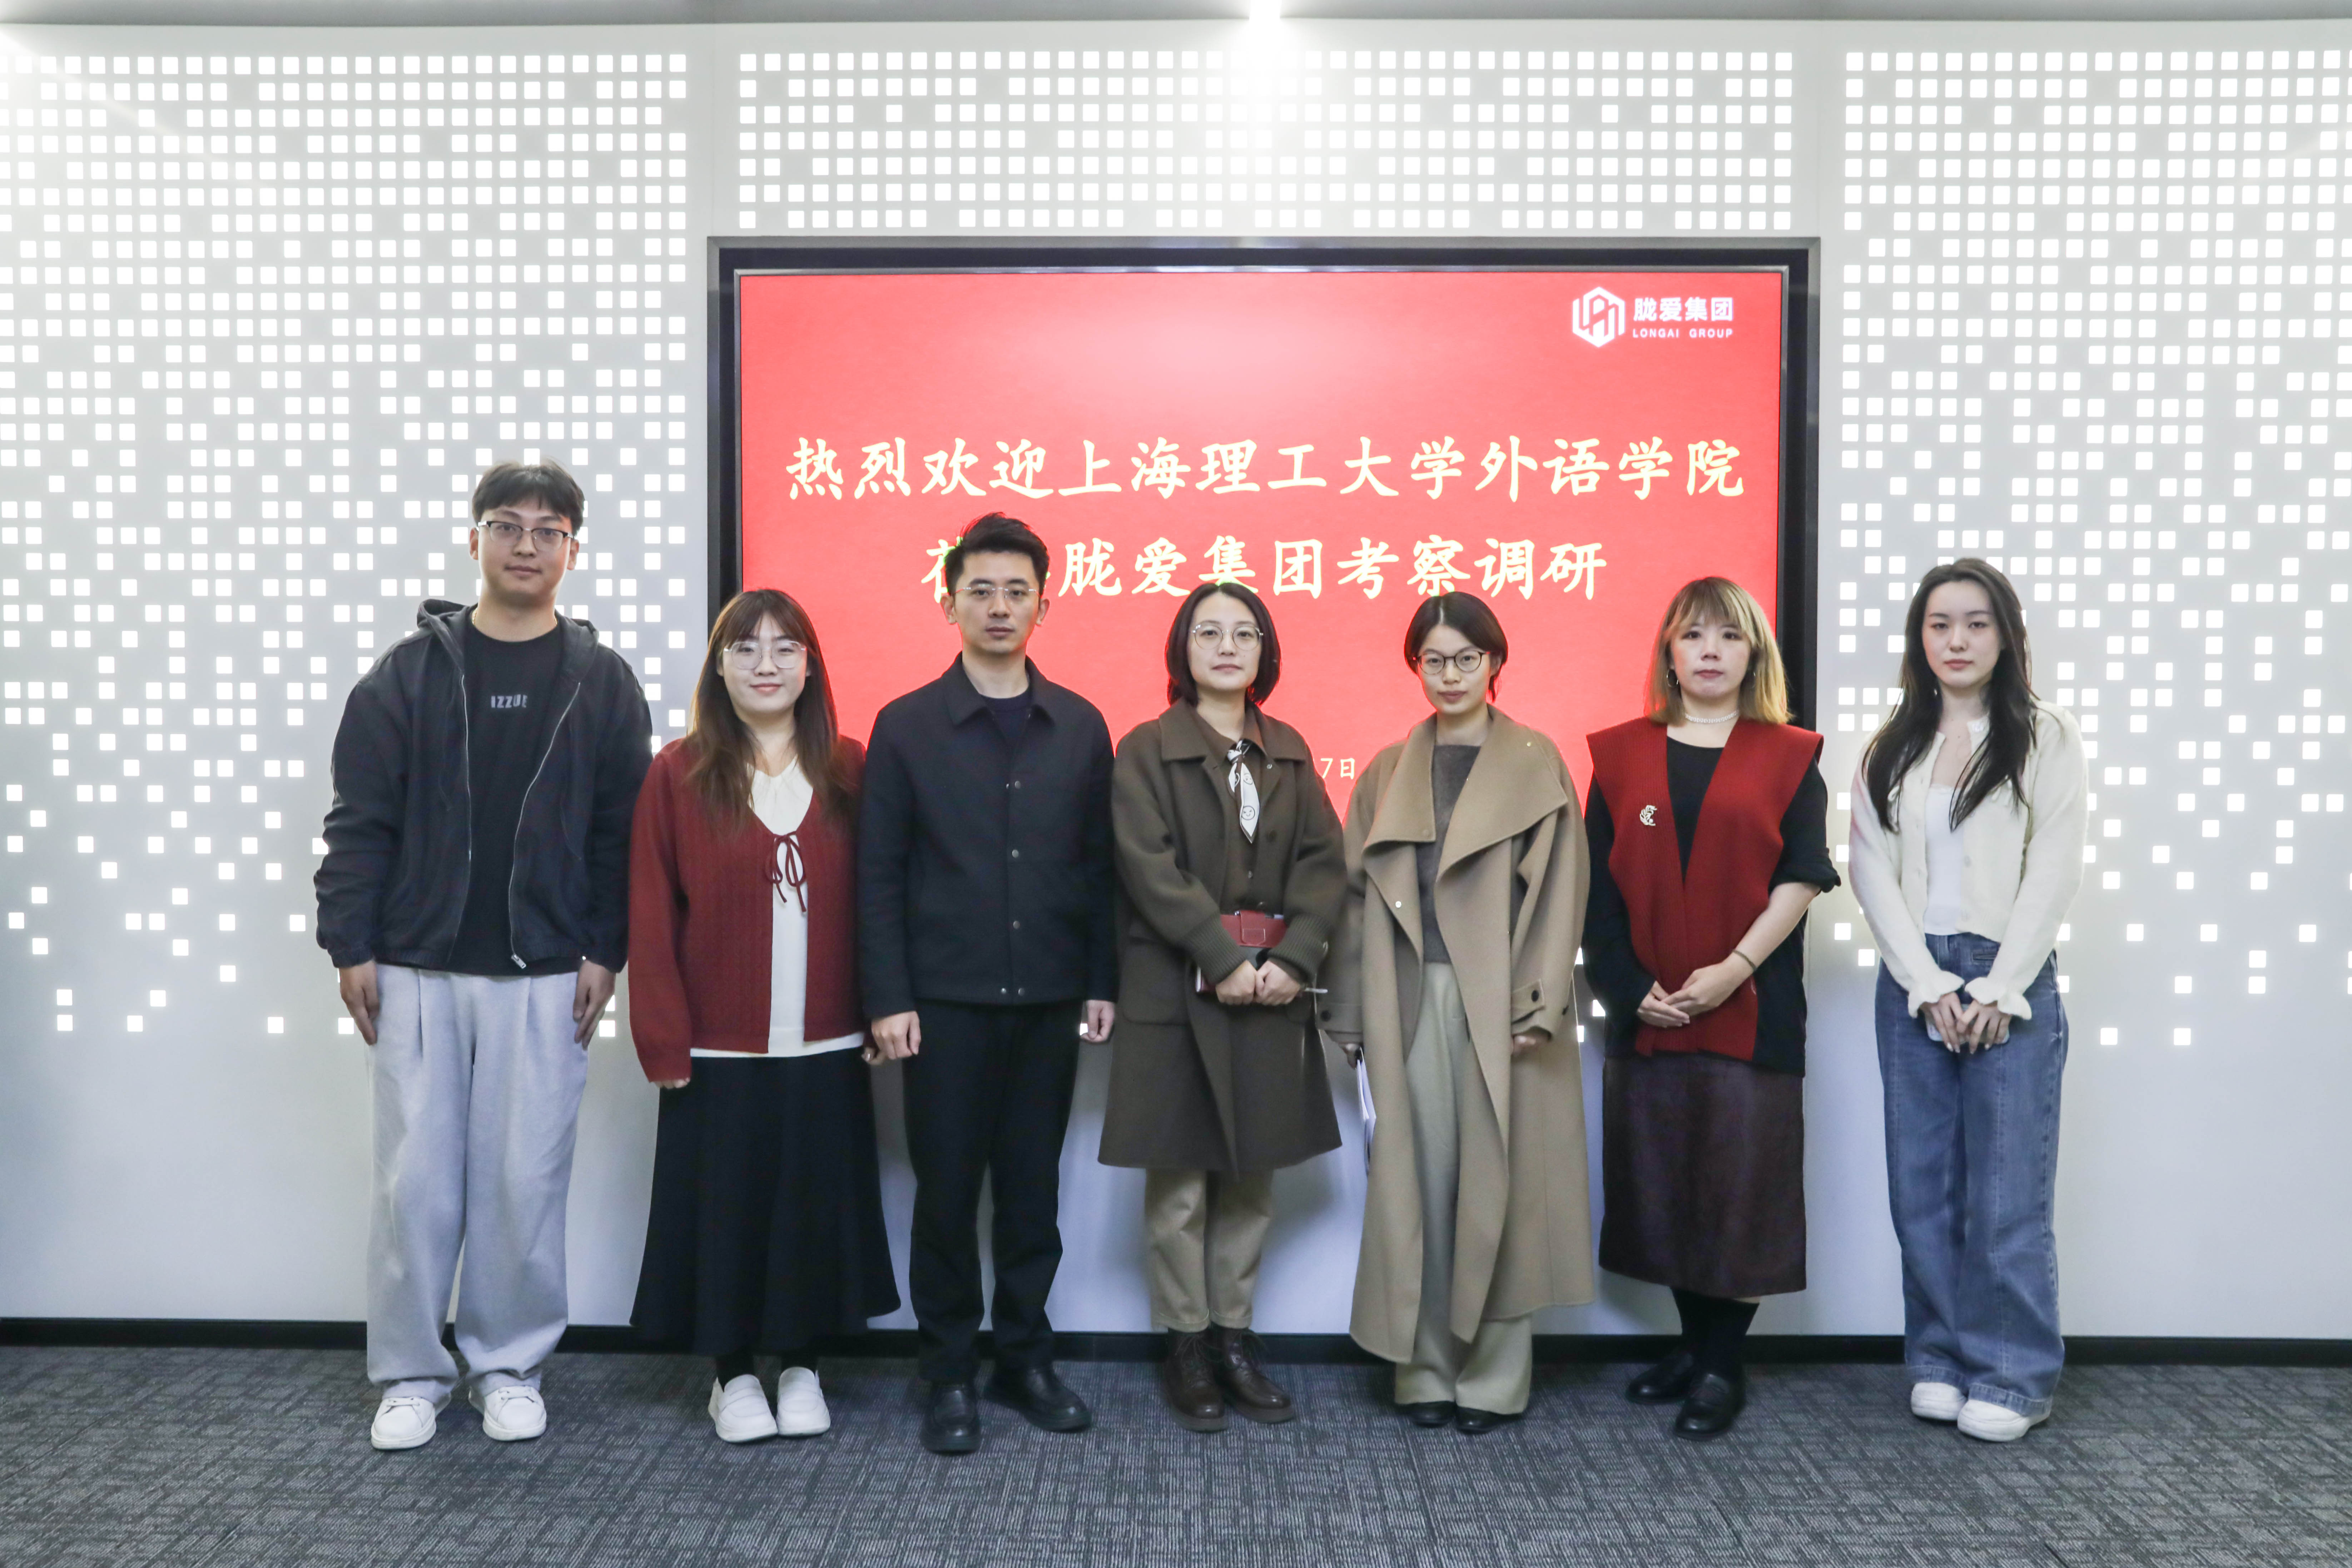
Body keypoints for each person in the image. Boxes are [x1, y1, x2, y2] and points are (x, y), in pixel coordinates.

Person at [315, 461, 651, 1452]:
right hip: (415, 963)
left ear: (572, 551)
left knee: (523, 1182)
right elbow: (360, 820)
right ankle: (412, 1374)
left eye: (549, 530)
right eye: (507, 525)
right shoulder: (408, 673)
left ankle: (508, 1366)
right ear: (474, 540)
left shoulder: (600, 679)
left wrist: (605, 947)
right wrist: (350, 942)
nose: (526, 545)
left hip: (545, 967)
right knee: (413, 1185)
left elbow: (620, 831)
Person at [858, 512, 1117, 1456]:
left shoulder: (1080, 725)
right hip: (941, 1004)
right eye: (981, 590)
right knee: (944, 1194)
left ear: (1044, 604)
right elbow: (878, 873)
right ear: (949, 602)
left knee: (1031, 1193)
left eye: (1017, 591)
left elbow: (1098, 868)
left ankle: (1023, 1357)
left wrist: (1100, 979)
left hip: (1048, 996)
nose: (999, 606)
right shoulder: (905, 726)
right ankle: (948, 1371)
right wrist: (886, 996)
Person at [626, 589, 900, 1444]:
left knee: (813, 1210)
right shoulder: (677, 772)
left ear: (811, 666)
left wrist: (882, 1009)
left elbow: (884, 897)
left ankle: (804, 1364)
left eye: (786, 648)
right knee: (727, 1215)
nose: (767, 664)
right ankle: (733, 1373)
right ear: (720, 667)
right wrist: (664, 1037)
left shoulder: (850, 768)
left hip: (829, 1043)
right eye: (746, 649)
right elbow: (650, 914)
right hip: (717, 1049)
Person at [1322, 592, 1592, 1436]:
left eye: (1465, 659)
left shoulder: (1535, 761)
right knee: (1417, 1187)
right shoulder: (1385, 771)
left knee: (1502, 1189)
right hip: (1408, 999)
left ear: (1494, 663)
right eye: (1433, 660)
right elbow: (1352, 903)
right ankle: (1425, 1372)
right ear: (1417, 667)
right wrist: (1351, 1014)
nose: (1450, 675)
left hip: (1506, 1003)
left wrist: (1538, 1004)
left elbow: (1561, 894)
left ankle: (1494, 1380)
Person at [1582, 576, 1837, 1442]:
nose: (1711, 652)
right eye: (1693, 636)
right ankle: (1692, 1348)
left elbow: (1803, 875)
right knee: (1666, 1184)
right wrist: (1628, 989)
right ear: (1669, 653)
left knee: (1740, 1189)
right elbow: (1596, 892)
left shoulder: (1791, 754)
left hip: (1751, 1006)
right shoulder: (1620, 755)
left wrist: (1734, 969)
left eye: (1729, 636)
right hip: (1649, 1012)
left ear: (1754, 653)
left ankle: (1724, 1363)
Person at [1101, 581, 1348, 1433]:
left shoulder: (1290, 750)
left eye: (1245, 633)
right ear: (1183, 650)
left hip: (1271, 994)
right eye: (1209, 632)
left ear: (1265, 652)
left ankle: (1235, 1340)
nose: (1228, 646)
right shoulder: (1145, 749)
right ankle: (1187, 1344)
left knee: (1252, 1179)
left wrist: (1294, 958)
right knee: (1179, 1187)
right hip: (1175, 991)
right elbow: (1149, 868)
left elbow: (1324, 867)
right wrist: (1221, 955)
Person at [1850, 560, 2086, 1444]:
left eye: (1977, 623)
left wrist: (1999, 985)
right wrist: (1927, 984)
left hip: (2007, 976)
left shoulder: (2045, 736)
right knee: (1922, 1189)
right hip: (1916, 978)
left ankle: (2015, 1374)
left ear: (2006, 635)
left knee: (2004, 1193)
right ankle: (1943, 1359)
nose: (1957, 640)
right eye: (1940, 623)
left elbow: (2053, 865)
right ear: (1920, 637)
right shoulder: (1891, 745)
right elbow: (1870, 870)